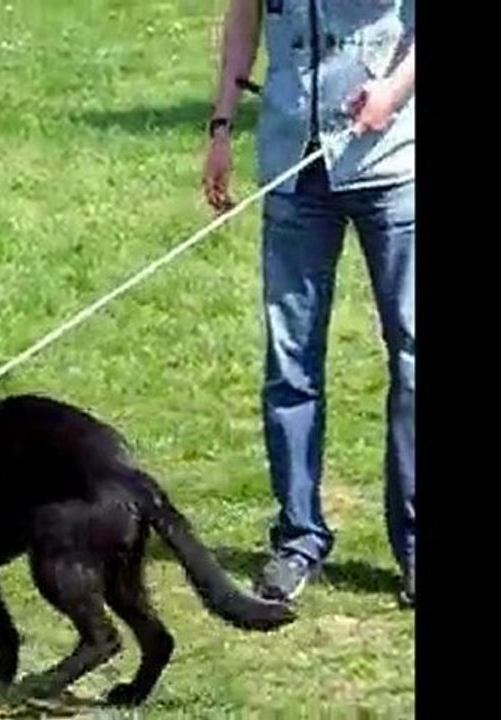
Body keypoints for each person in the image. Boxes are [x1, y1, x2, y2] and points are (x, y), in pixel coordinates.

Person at [201, 1, 415, 607]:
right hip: (293, 166)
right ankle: (297, 538)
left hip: (394, 165)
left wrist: (393, 92)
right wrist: (221, 125)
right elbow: (245, 17)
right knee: (289, 364)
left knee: (412, 359)